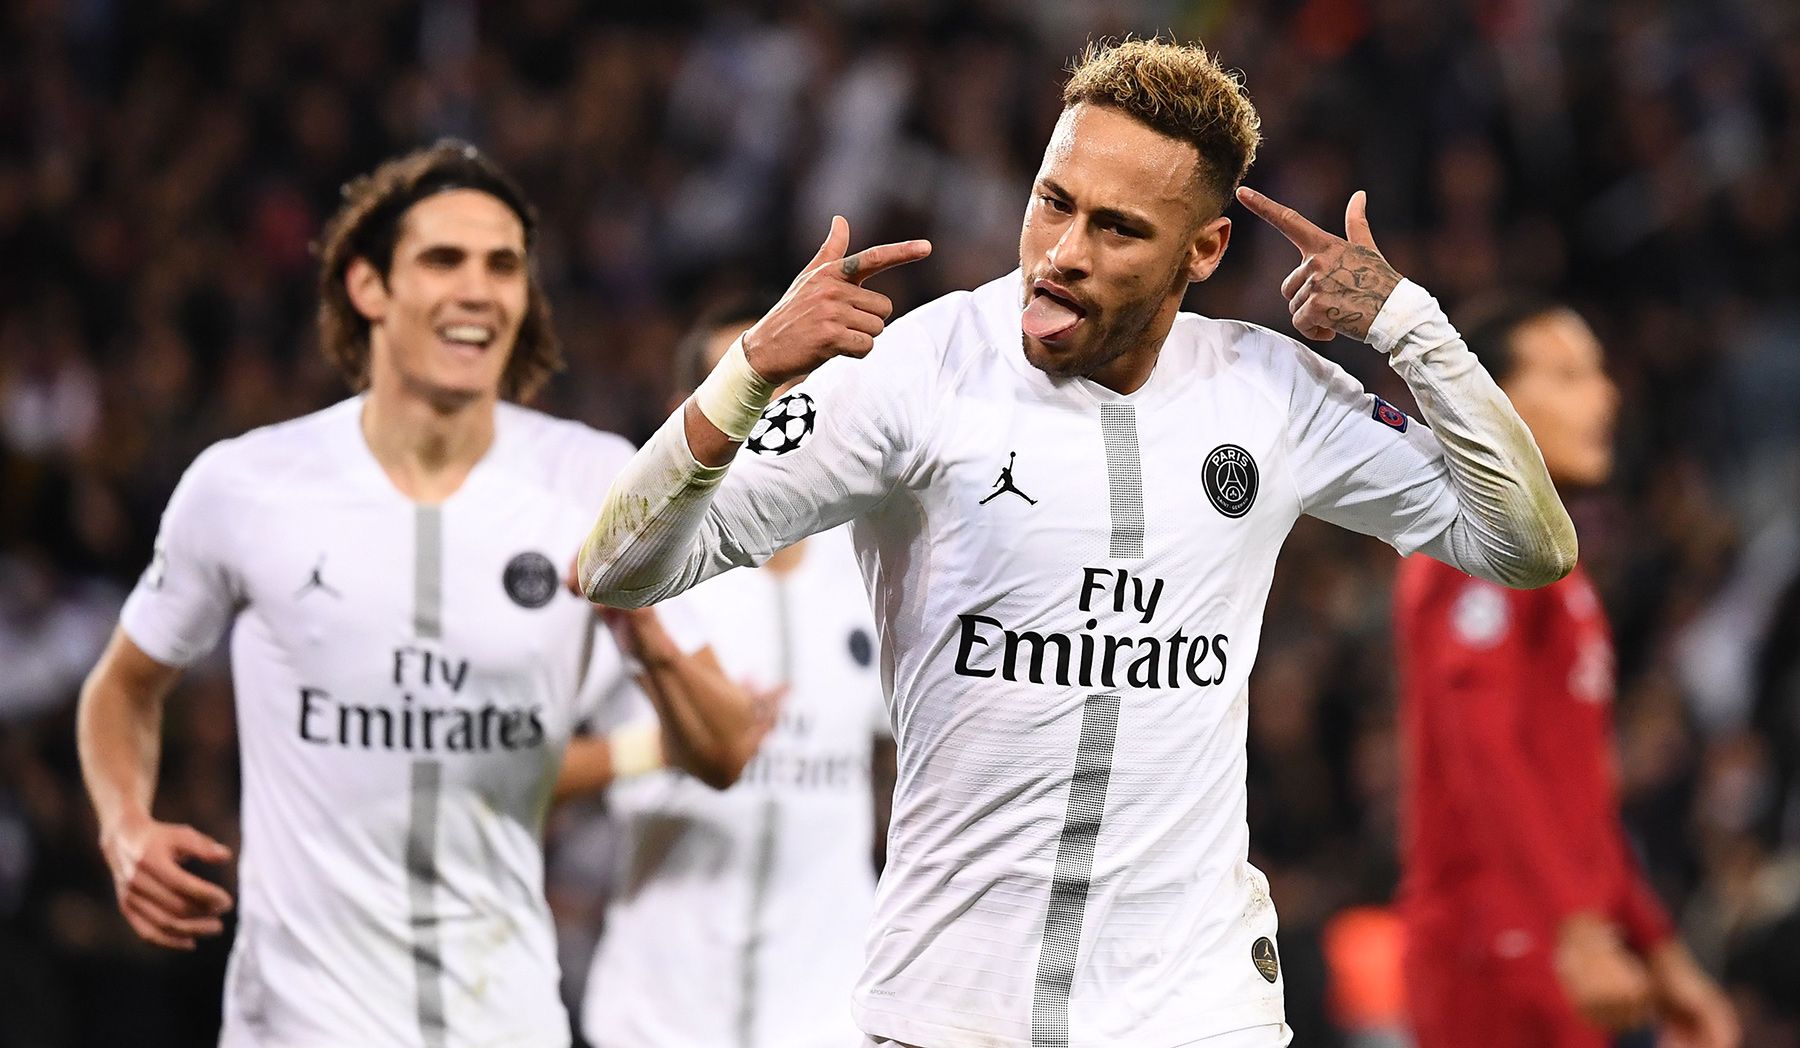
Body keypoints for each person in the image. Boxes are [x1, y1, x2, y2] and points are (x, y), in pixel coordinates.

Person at [580, 37, 1578, 1048]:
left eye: (1118, 228)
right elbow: (621, 567)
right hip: (951, 1014)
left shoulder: (1270, 392)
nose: (1063, 252)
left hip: (1198, 1015)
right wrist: (750, 369)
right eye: (1053, 202)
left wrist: (1407, 322)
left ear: (1203, 251)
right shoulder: (917, 373)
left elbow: (1527, 544)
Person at [75, 141, 762, 1048]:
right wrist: (124, 827)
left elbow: (724, 750)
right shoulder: (247, 485)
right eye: (443, 260)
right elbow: (123, 686)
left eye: (503, 266)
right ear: (368, 286)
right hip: (298, 1026)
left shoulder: (596, 483)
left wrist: (648, 641)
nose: (478, 290)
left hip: (507, 1020)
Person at [1395, 300, 1740, 1048]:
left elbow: (1576, 799)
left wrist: (1656, 947)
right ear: (1489, 399)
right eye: (1567, 375)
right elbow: (1480, 746)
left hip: (1552, 944)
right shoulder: (1470, 544)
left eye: (1599, 373)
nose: (1606, 395)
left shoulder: (1555, 567)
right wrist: (1579, 930)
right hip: (1495, 953)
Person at [566, 303, 897, 1048]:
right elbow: (514, 765)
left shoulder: (872, 567)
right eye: (747, 385)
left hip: (826, 1023)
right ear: (691, 417)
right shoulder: (635, 573)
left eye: (794, 388)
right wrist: (653, 750)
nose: (772, 413)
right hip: (656, 1023)